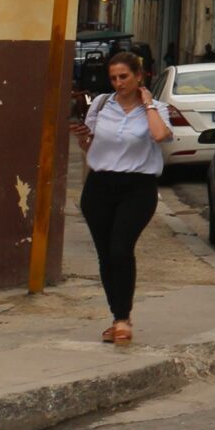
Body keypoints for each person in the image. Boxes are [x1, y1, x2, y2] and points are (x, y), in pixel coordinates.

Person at [68, 50, 170, 345]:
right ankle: (118, 317)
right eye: (113, 77)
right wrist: (83, 139)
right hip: (100, 186)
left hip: (138, 188)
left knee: (120, 249)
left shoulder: (157, 109)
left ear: (139, 76)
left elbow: (161, 136)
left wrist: (147, 104)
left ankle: (123, 318)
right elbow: (94, 149)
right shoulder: (101, 105)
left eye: (124, 76)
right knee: (105, 254)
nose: (118, 83)